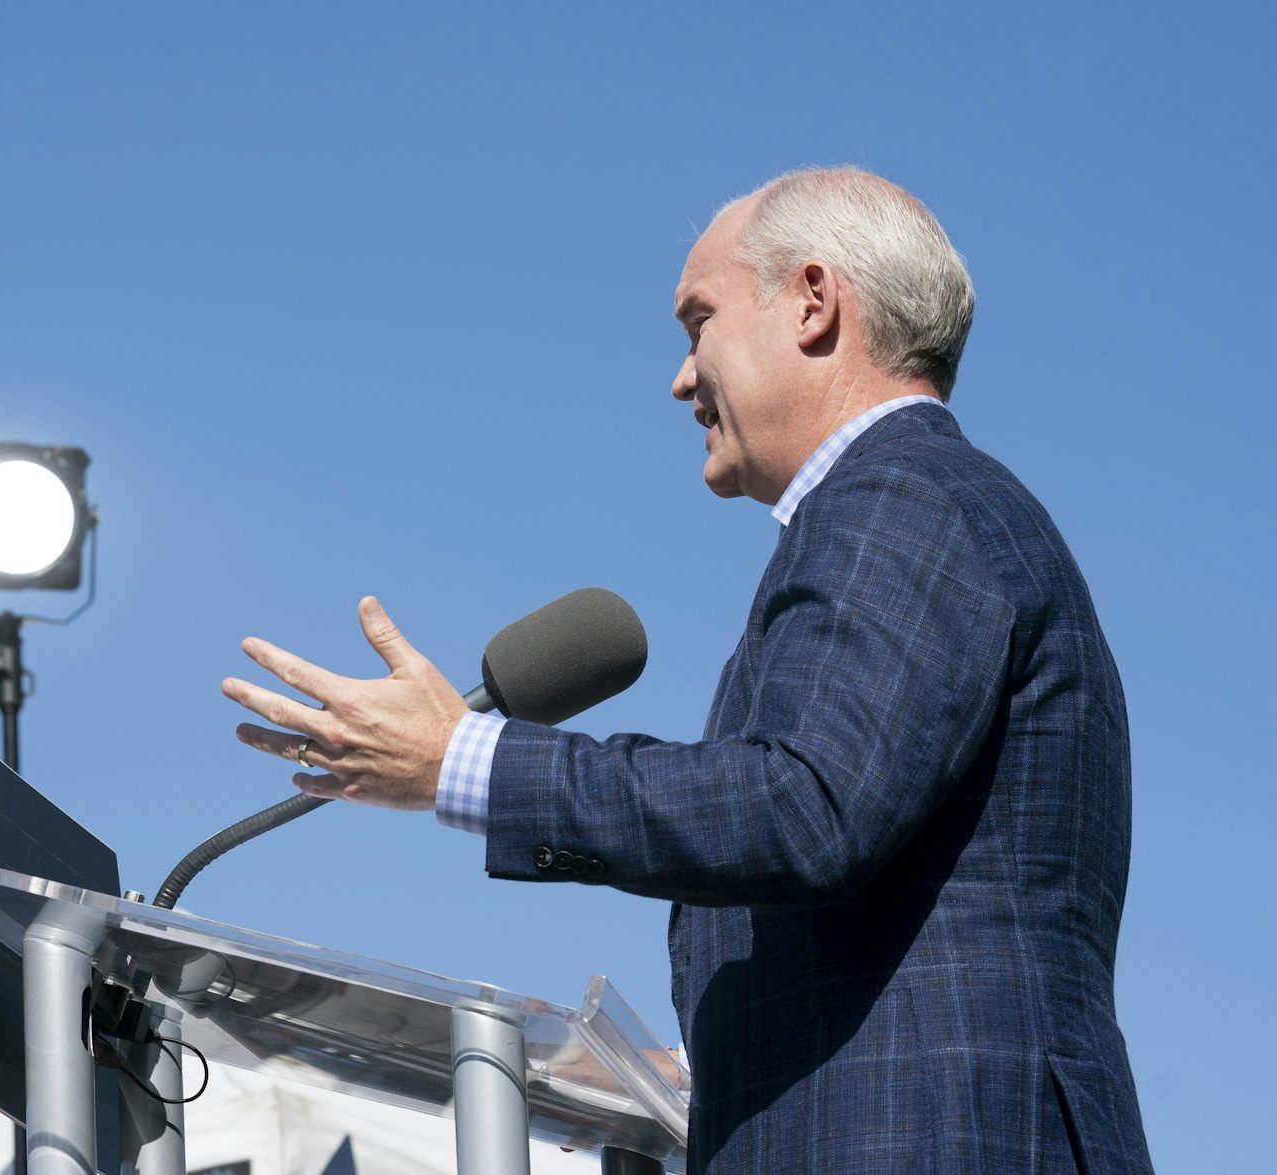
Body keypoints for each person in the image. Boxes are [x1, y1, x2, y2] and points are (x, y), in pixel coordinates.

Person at [221, 167, 1153, 1173]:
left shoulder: (902, 496)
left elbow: (807, 804)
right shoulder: (920, 506)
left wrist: (466, 760)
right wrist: (709, 1070)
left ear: (812, 301)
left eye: (697, 321)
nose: (680, 375)